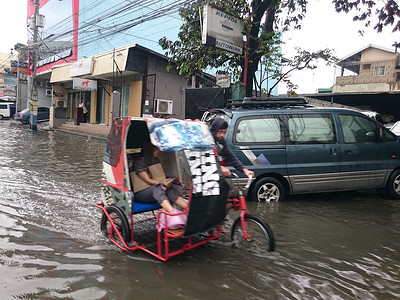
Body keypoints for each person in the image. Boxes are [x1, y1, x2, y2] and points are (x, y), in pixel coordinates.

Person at [131, 141, 187, 213]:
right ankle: (173, 213)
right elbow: (148, 180)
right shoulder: (139, 163)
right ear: (149, 149)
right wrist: (162, 183)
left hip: (154, 190)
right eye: (156, 148)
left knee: (168, 189)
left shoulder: (155, 160)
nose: (159, 150)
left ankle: (189, 209)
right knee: (158, 187)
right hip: (140, 193)